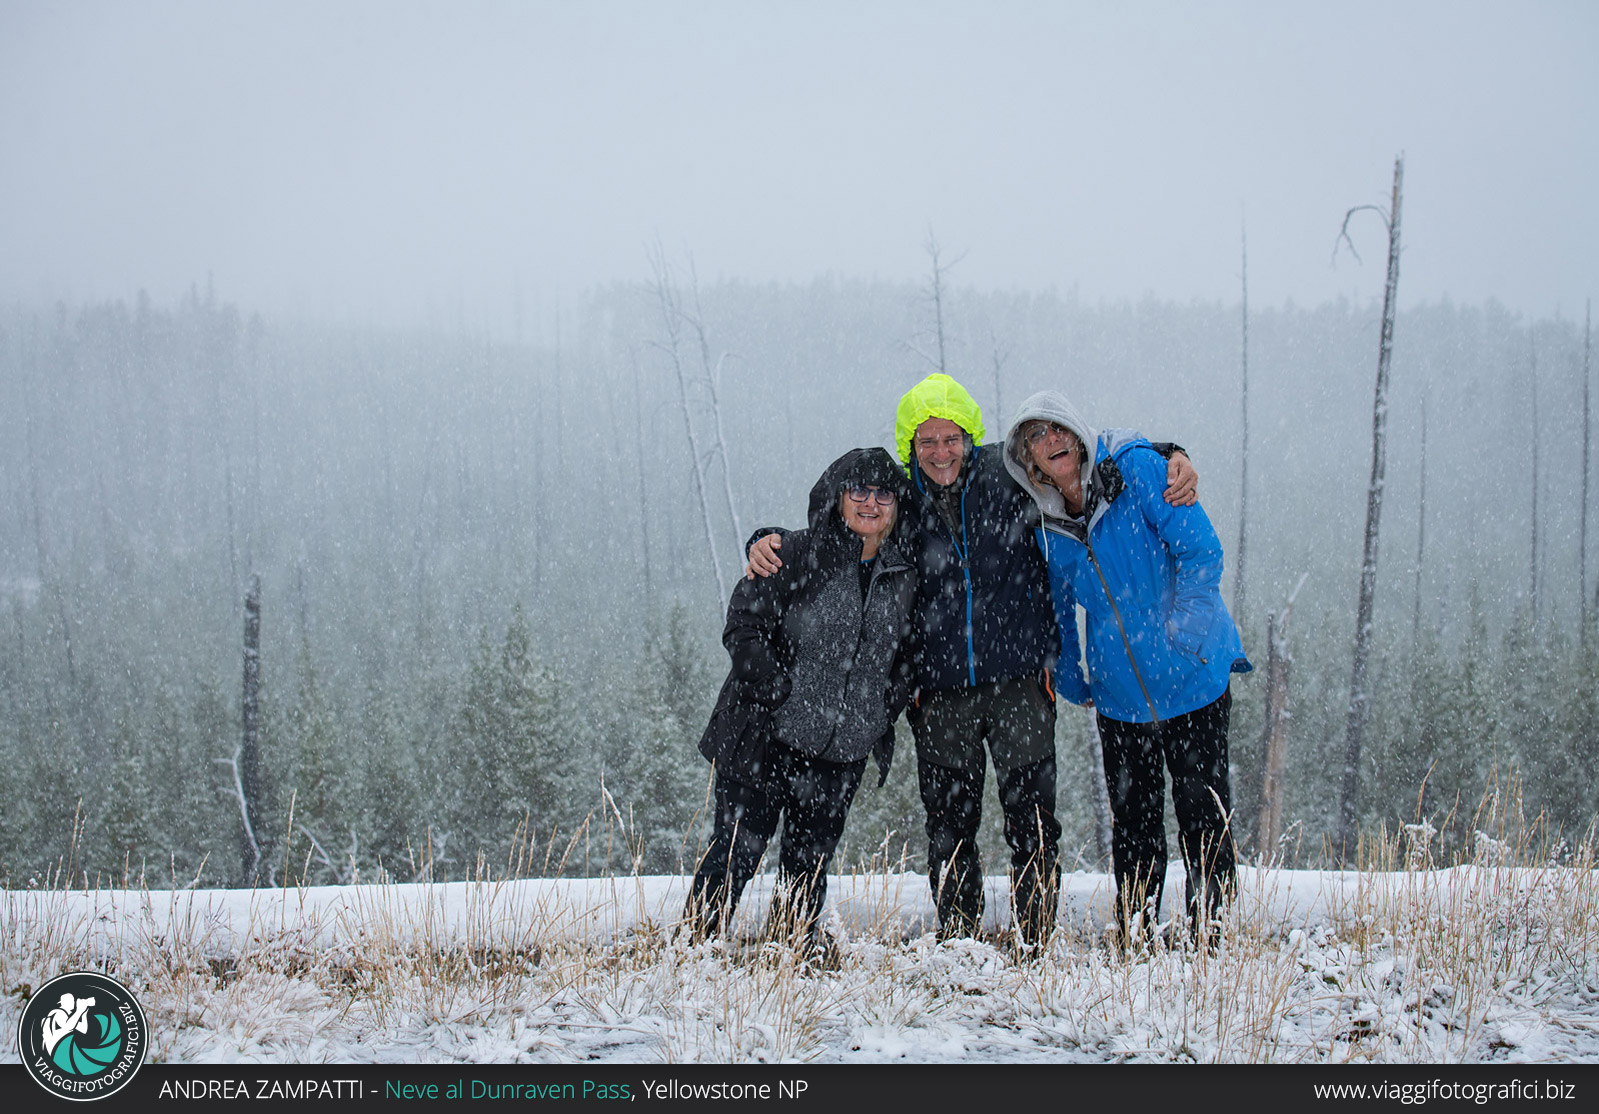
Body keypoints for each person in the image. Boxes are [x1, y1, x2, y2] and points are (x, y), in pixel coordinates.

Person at [747, 374, 1198, 947]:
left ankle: (1034, 939)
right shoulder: (900, 499)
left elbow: (1080, 453)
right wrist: (767, 540)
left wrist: (1166, 451)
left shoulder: (1007, 473)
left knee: (1033, 822)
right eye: (928, 441)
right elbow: (836, 516)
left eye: (952, 438)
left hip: (1020, 683)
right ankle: (960, 944)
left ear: (970, 436)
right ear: (911, 443)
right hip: (937, 693)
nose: (941, 452)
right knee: (950, 826)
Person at [1001, 389, 1251, 947]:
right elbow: (1060, 608)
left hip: (1194, 682)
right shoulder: (1046, 524)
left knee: (1203, 817)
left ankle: (1214, 937)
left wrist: (1182, 636)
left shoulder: (1137, 471)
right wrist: (1072, 676)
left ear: (1079, 433)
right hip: (1120, 700)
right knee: (1135, 827)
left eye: (1059, 428)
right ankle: (1136, 937)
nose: (1052, 442)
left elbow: (1201, 552)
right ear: (1027, 457)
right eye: (1037, 437)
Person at [685, 447, 917, 947]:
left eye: (883, 493)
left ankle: (792, 960)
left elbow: (906, 659)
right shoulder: (793, 553)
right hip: (765, 740)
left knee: (808, 868)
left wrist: (875, 714)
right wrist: (780, 693)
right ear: (837, 497)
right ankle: (692, 953)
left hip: (839, 755)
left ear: (898, 505)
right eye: (859, 491)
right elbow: (743, 628)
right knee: (733, 855)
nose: (871, 502)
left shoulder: (904, 576)